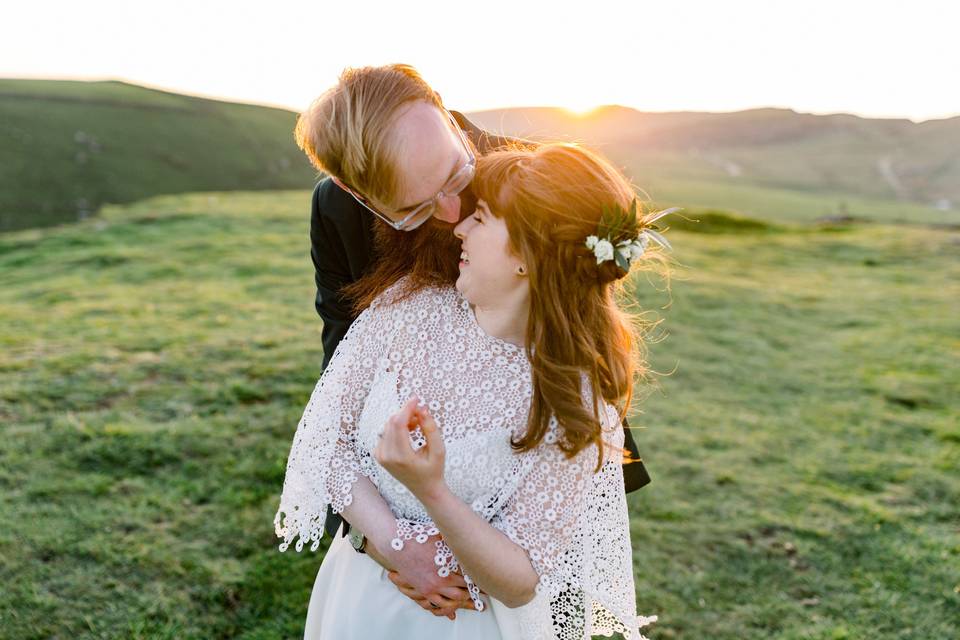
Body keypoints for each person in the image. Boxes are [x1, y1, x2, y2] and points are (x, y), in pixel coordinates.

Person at [293, 64, 651, 618]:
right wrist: (386, 544)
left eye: (458, 180)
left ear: (446, 114)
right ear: (353, 191)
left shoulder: (526, 178)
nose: (454, 216)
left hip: (536, 437)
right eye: (415, 209)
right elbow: (340, 373)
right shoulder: (337, 212)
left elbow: (579, 324)